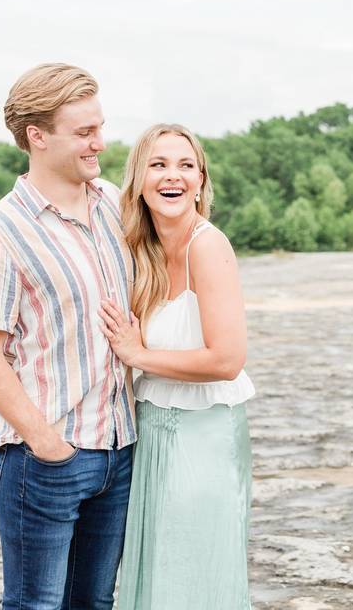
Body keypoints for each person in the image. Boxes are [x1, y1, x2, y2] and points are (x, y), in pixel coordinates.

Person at [0, 63, 137, 610]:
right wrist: (46, 444)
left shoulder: (113, 203)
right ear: (37, 137)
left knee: (95, 604)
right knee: (34, 606)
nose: (99, 143)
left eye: (100, 127)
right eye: (84, 132)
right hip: (47, 460)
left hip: (120, 450)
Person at [98, 123, 255, 609]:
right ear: (139, 180)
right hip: (151, 435)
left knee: (195, 575)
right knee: (155, 573)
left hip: (204, 435)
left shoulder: (208, 246)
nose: (174, 176)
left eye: (186, 165)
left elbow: (228, 360)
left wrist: (139, 355)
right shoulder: (138, 253)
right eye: (159, 164)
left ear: (202, 181)